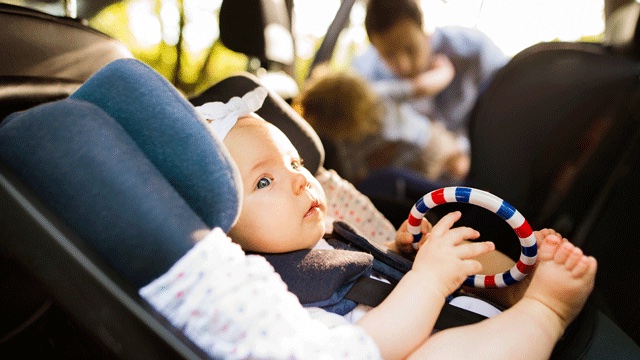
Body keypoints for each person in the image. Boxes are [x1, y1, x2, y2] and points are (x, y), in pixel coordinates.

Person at [195, 86, 597, 360]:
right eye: (264, 181)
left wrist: (400, 253)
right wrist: (429, 280)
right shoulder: (270, 295)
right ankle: (547, 311)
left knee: (459, 246)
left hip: (459, 316)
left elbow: (366, 276)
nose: (300, 179)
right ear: (224, 228)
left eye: (295, 163)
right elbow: (363, 346)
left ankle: (518, 284)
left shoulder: (329, 233)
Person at [351, 0, 510, 160]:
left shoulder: (473, 51)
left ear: (425, 31)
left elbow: (508, 113)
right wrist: (417, 88)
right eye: (388, 56)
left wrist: (463, 150)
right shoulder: (367, 72)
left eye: (410, 49)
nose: (403, 65)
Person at [294, 66, 469, 184]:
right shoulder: (378, 95)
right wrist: (445, 71)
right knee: (459, 169)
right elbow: (420, 87)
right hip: (425, 146)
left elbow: (355, 175)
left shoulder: (346, 140)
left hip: (416, 162)